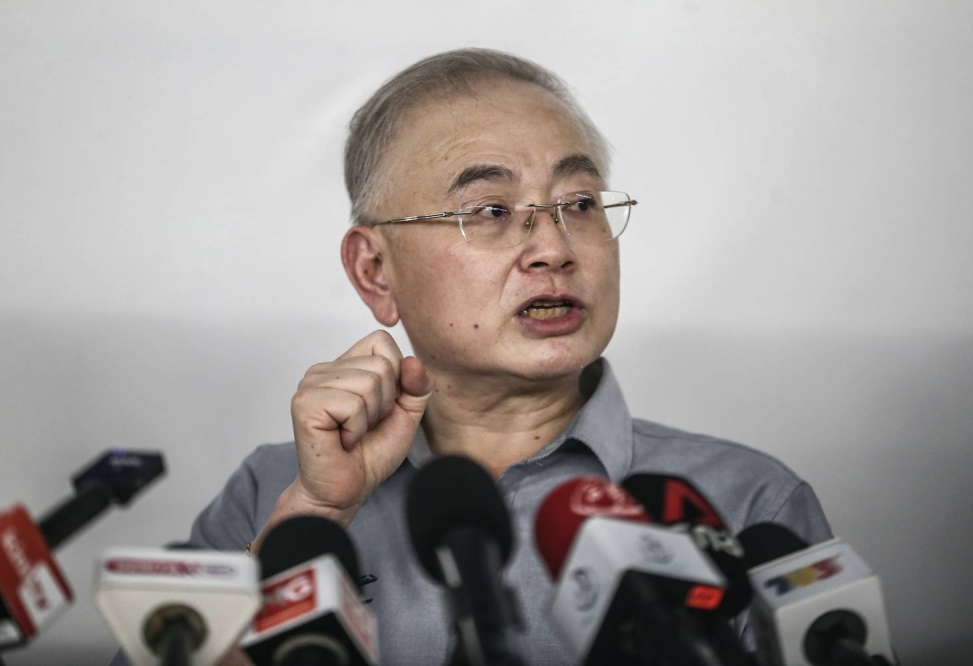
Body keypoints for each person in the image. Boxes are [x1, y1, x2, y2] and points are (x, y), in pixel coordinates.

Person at [112, 48, 832, 666]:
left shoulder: (746, 503)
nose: (553, 248)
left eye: (579, 203)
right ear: (374, 272)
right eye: (490, 211)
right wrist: (314, 513)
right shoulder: (273, 492)